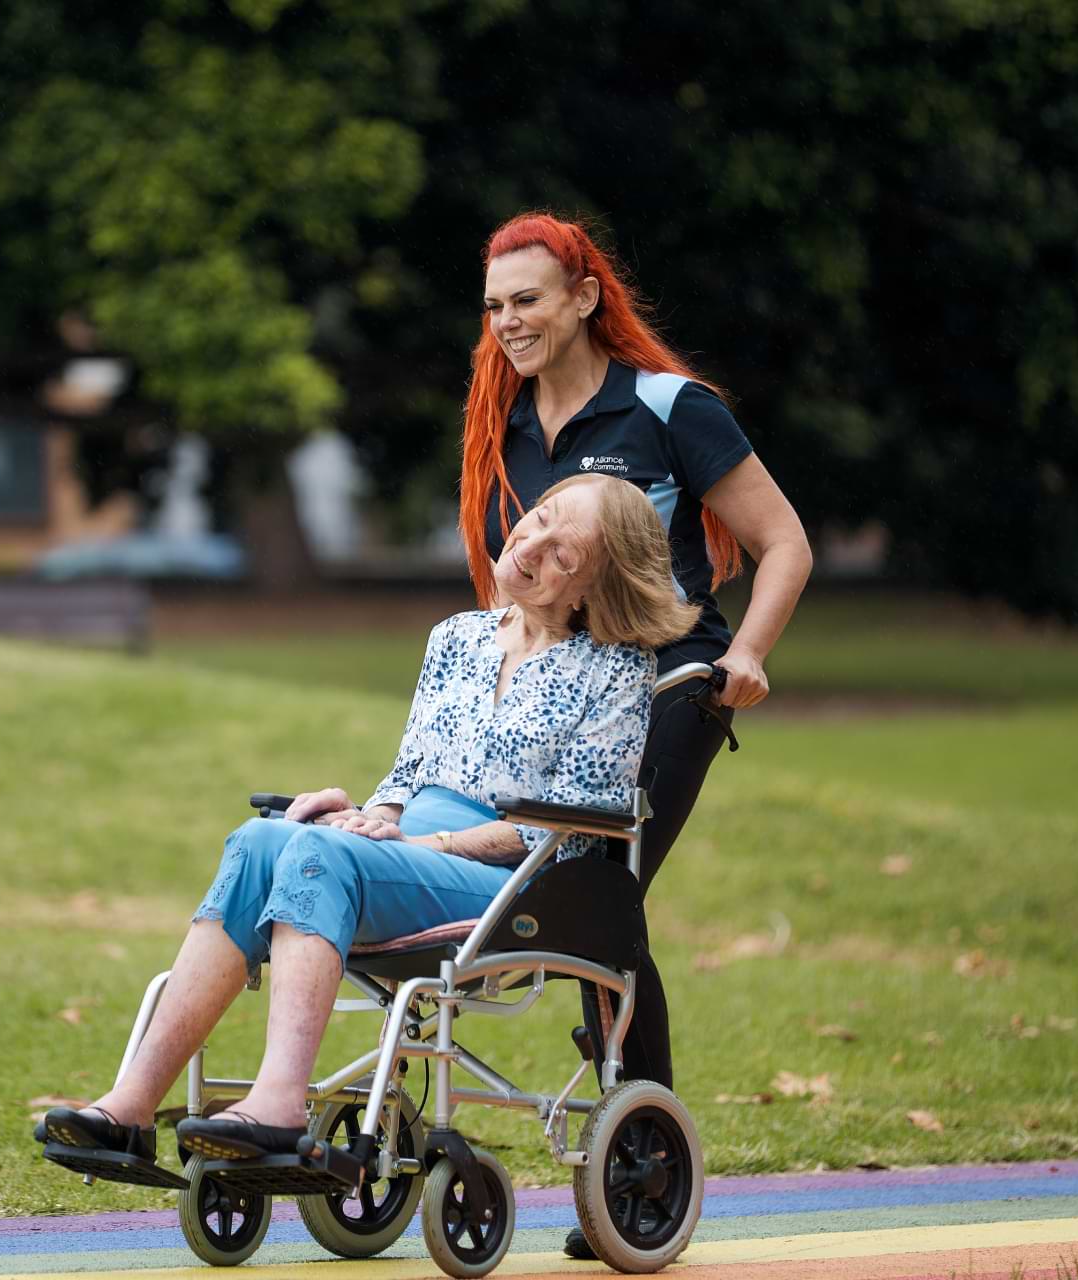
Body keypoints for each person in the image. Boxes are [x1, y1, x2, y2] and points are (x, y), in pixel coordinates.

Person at [37, 473, 702, 1165]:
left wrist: (414, 837)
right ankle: (131, 1107)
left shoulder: (614, 670)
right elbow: (409, 773)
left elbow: (566, 830)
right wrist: (367, 814)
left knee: (320, 855)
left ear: (596, 585)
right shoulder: (457, 637)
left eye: (564, 553)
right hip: (410, 854)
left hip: (514, 883)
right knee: (263, 838)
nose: (531, 545)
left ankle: (278, 1105)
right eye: (537, 519)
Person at [461, 211, 812, 1257]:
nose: (508, 320)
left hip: (672, 689)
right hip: (561, 694)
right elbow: (499, 587)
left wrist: (747, 654)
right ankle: (639, 1145)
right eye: (493, 305)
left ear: (582, 295)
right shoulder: (502, 424)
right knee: (578, 898)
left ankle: (637, 1155)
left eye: (526, 298)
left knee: (587, 888)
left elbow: (782, 541)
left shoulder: (669, 407)